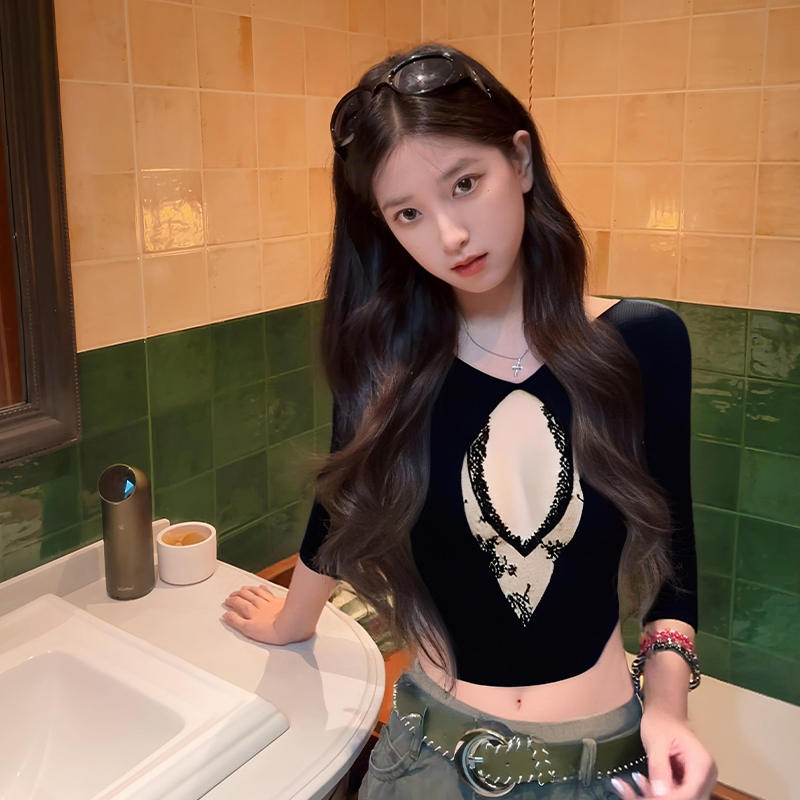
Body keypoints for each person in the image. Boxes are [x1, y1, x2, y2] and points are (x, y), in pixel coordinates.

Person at [221, 44, 718, 800]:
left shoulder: (643, 343)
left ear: (520, 160)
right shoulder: (387, 362)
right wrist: (294, 619)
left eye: (464, 183)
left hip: (606, 764)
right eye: (409, 214)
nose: (449, 234)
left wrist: (670, 711)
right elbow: (340, 505)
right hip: (427, 756)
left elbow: (671, 559)